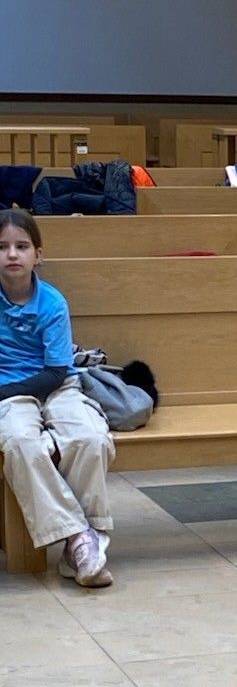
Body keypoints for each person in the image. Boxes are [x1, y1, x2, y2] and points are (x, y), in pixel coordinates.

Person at [0, 210, 114, 584]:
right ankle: (81, 539)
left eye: (21, 246)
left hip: (57, 386)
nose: (11, 254)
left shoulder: (52, 302)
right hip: (9, 396)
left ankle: (75, 550)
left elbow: (54, 372)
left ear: (38, 255)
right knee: (20, 442)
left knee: (91, 437)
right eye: (2, 247)